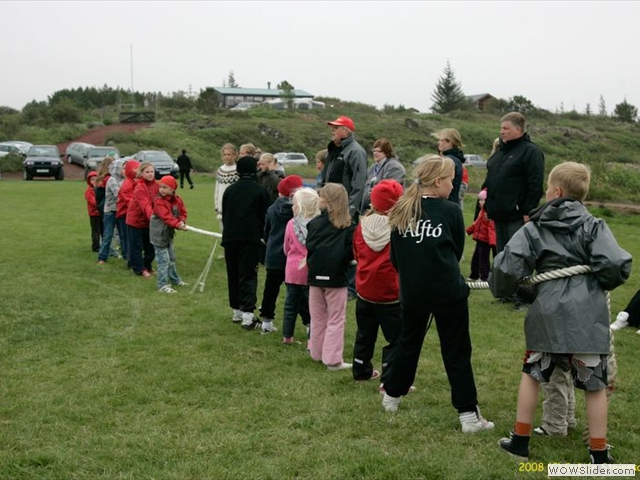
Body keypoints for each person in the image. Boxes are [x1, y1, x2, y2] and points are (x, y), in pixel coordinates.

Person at [489, 161, 631, 463]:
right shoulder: (594, 226)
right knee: (594, 385)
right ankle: (599, 454)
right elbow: (615, 265)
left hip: (547, 315)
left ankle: (520, 441)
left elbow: (508, 266)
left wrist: (503, 287)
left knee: (532, 375)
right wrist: (600, 278)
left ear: (555, 191)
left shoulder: (534, 227)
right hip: (588, 317)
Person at [380, 155, 494, 435]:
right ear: (437, 182)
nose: (453, 185)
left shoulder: (402, 209)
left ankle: (391, 398)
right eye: (451, 180)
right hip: (447, 292)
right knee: (456, 351)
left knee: (408, 344)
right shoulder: (449, 211)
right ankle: (468, 416)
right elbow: (455, 252)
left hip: (413, 293)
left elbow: (396, 259)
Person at [352, 180, 403, 385]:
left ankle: (360, 370)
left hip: (365, 288)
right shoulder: (399, 228)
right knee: (396, 337)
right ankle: (389, 380)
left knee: (365, 332)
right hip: (390, 292)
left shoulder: (362, 225)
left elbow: (356, 252)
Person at [306, 183, 356, 371]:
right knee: (335, 318)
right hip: (336, 277)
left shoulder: (315, 224)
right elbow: (351, 252)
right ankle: (332, 360)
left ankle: (318, 353)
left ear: (328, 200)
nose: (318, 199)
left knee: (318, 317)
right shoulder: (349, 226)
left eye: (321, 196)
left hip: (315, 276)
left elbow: (309, 247)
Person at [483, 112, 545, 254]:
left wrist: (528, 211)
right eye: (501, 128)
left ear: (518, 129)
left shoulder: (531, 152)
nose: (501, 132)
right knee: (501, 255)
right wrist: (487, 207)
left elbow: (535, 184)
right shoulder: (499, 152)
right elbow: (490, 181)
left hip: (517, 216)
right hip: (498, 214)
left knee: (517, 255)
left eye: (506, 128)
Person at [221, 156, 270, 329]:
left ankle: (237, 311)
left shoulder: (230, 190)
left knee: (233, 272)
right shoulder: (260, 191)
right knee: (248, 274)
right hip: (250, 238)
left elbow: (225, 213)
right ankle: (248, 315)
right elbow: (265, 217)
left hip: (230, 237)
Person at [259, 174, 304, 334]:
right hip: (294, 257)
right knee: (299, 292)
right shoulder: (300, 212)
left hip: (273, 255)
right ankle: (308, 323)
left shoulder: (272, 209)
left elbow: (267, 232)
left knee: (270, 290)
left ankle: (266, 321)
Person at [282, 187, 320, 345]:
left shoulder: (291, 224)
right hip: (311, 270)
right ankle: (312, 339)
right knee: (313, 308)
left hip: (292, 271)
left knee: (290, 305)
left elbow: (286, 247)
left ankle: (287, 336)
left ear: (300, 206)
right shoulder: (318, 225)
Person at [319, 116, 367, 220]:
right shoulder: (331, 150)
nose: (332, 131)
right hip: (327, 208)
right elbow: (323, 178)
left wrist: (350, 211)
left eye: (336, 128)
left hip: (343, 211)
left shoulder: (356, 152)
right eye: (332, 128)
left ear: (346, 131)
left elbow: (359, 184)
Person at [150, 175, 188, 293]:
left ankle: (175, 280)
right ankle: (162, 285)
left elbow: (182, 212)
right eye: (160, 187)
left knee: (172, 258)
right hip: (158, 235)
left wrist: (182, 221)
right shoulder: (159, 202)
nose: (161, 189)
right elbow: (166, 217)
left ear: (172, 189)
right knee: (163, 261)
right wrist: (177, 225)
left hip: (168, 234)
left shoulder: (177, 200)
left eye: (165, 187)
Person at [126, 162, 159, 278]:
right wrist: (154, 218)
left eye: (152, 171)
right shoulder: (139, 187)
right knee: (136, 247)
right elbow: (145, 205)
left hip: (149, 222)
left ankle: (147, 266)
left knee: (151, 248)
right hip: (136, 221)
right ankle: (139, 269)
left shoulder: (157, 186)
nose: (150, 174)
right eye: (147, 172)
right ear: (141, 173)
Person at [360, 138, 406, 212]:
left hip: (386, 211)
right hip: (369, 210)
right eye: (374, 151)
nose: (375, 153)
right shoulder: (372, 167)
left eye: (379, 151)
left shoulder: (395, 167)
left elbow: (388, 191)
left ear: (386, 152)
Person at [97, 159, 125, 264]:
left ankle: (126, 256)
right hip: (110, 211)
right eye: (122, 168)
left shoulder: (124, 180)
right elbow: (119, 194)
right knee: (108, 235)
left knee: (123, 234)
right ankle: (102, 257)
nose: (124, 170)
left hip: (120, 210)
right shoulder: (112, 180)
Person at [466, 189, 496, 281]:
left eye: (482, 200)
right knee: (476, 258)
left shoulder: (489, 214)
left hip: (486, 240)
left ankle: (484, 276)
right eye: (479, 200)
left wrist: (492, 241)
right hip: (480, 239)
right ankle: (474, 274)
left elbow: (491, 228)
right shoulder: (482, 212)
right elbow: (476, 223)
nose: (480, 202)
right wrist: (468, 231)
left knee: (483, 259)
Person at [116, 159, 140, 267]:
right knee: (128, 239)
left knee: (131, 239)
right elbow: (130, 202)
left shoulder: (134, 182)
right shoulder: (127, 185)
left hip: (130, 214)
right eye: (136, 169)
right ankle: (130, 260)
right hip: (124, 215)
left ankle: (132, 259)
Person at [434, 129, 465, 207]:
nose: (439, 143)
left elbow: (440, 184)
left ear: (450, 142)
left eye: (442, 140)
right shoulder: (455, 159)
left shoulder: (449, 161)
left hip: (445, 203)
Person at [214, 143, 239, 230]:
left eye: (229, 154)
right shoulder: (220, 170)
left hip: (234, 207)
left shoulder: (238, 170)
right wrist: (217, 205)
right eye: (225, 155)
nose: (227, 157)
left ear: (235, 155)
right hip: (222, 206)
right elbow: (217, 189)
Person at [84, 171, 101, 252]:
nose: (94, 181)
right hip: (94, 214)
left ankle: (101, 245)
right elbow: (94, 202)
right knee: (95, 231)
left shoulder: (100, 189)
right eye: (92, 179)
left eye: (96, 179)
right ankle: (95, 246)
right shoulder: (89, 191)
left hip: (100, 213)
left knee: (102, 230)